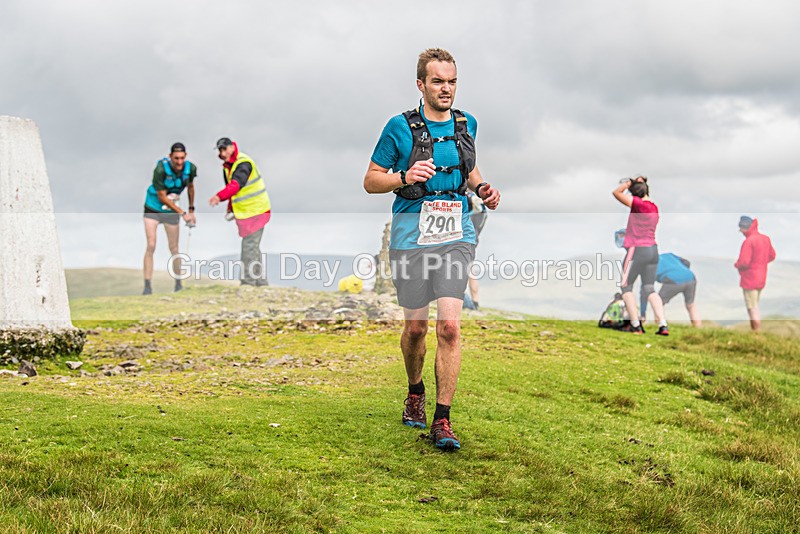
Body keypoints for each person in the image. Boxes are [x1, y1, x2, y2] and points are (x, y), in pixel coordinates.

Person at [364, 48, 500, 451]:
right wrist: (403, 175)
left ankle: (442, 420)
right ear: (421, 84)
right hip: (411, 236)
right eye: (438, 81)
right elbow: (371, 180)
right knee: (416, 328)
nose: (446, 89)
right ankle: (414, 391)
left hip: (456, 232)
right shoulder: (398, 127)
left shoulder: (466, 123)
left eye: (452, 81)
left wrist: (482, 189)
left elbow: (469, 168)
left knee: (450, 327)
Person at [209, 138, 271, 286]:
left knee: (249, 245)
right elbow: (233, 191)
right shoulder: (228, 166)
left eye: (225, 149)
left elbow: (236, 185)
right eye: (220, 150)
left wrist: (219, 196)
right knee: (253, 246)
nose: (222, 153)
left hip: (257, 210)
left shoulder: (243, 163)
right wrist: (230, 208)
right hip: (245, 212)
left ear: (231, 147)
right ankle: (261, 282)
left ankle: (248, 282)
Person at [611, 176, 668, 335]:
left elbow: (616, 193)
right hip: (652, 250)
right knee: (649, 288)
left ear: (635, 194)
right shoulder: (654, 207)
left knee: (626, 286)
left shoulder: (638, 204)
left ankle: (635, 325)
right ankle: (663, 324)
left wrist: (628, 184)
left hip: (637, 250)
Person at [142, 142, 197, 295]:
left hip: (172, 210)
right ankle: (147, 286)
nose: (179, 162)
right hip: (153, 206)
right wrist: (182, 213)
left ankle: (178, 284)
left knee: (174, 248)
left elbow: (191, 187)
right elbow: (162, 196)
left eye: (182, 158)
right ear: (170, 157)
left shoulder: (190, 169)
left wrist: (191, 209)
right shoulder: (160, 169)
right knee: (151, 244)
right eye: (176, 158)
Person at [734, 216, 776, 331]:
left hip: (749, 279)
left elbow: (744, 262)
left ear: (744, 228)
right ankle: (756, 332)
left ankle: (756, 333)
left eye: (741, 229)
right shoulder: (765, 239)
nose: (741, 232)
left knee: (752, 307)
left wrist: (737, 264)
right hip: (761, 278)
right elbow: (772, 255)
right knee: (755, 304)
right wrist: (761, 263)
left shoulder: (748, 241)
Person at [638, 252, 701, 327]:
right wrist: (682, 271)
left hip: (673, 280)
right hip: (690, 277)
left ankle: (660, 326)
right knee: (690, 305)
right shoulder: (668, 255)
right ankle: (698, 327)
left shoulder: (648, 267)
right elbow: (686, 262)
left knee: (658, 303)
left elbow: (644, 292)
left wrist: (643, 314)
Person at [465, 191, 488, 310]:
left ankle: (464, 299)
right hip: (473, 237)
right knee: (470, 268)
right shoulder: (479, 202)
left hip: (464, 237)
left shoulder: (466, 197)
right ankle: (475, 301)